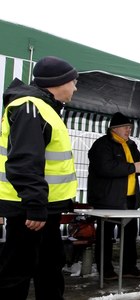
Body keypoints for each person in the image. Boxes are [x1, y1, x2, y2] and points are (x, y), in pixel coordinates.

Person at [0, 56, 78, 300]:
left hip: (42, 209)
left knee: (49, 267)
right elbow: (24, 162)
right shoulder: (31, 107)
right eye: (73, 82)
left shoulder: (44, 108)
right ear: (59, 82)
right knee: (17, 272)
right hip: (29, 210)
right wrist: (35, 206)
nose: (75, 88)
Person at [87, 112, 140, 280]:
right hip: (107, 199)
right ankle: (105, 270)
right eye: (126, 127)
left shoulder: (131, 145)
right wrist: (133, 167)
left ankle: (129, 267)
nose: (129, 130)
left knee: (130, 235)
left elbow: (138, 169)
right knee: (105, 236)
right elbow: (105, 168)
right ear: (114, 129)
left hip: (129, 199)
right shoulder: (102, 144)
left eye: (130, 127)